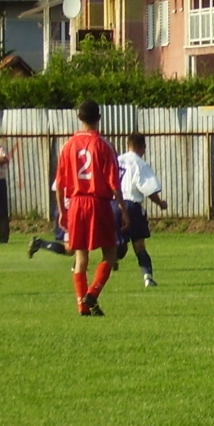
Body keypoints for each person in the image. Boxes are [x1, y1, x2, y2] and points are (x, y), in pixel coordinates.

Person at [55, 100, 130, 316]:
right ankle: (93, 293)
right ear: (99, 118)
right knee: (110, 253)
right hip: (98, 203)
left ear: (79, 118)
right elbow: (114, 184)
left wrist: (62, 211)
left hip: (77, 203)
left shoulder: (67, 146)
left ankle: (82, 305)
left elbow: (59, 184)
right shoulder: (104, 146)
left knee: (81, 257)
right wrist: (123, 210)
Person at [116, 132, 168, 287]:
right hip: (131, 206)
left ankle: (111, 261)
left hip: (113, 206)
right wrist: (160, 203)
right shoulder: (139, 163)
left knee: (115, 245)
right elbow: (148, 189)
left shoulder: (116, 161)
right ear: (142, 147)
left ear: (128, 145)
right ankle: (147, 278)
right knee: (139, 246)